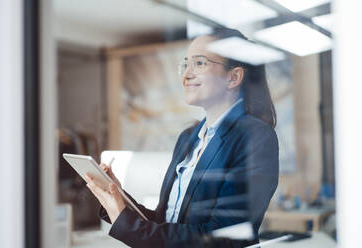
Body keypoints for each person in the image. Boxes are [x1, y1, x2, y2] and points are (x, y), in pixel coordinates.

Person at [85, 28, 279, 248]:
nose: (186, 74)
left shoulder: (256, 137)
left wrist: (128, 224)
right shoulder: (188, 138)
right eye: (185, 64)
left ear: (233, 77)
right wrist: (119, 200)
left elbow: (224, 239)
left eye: (199, 63)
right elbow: (167, 222)